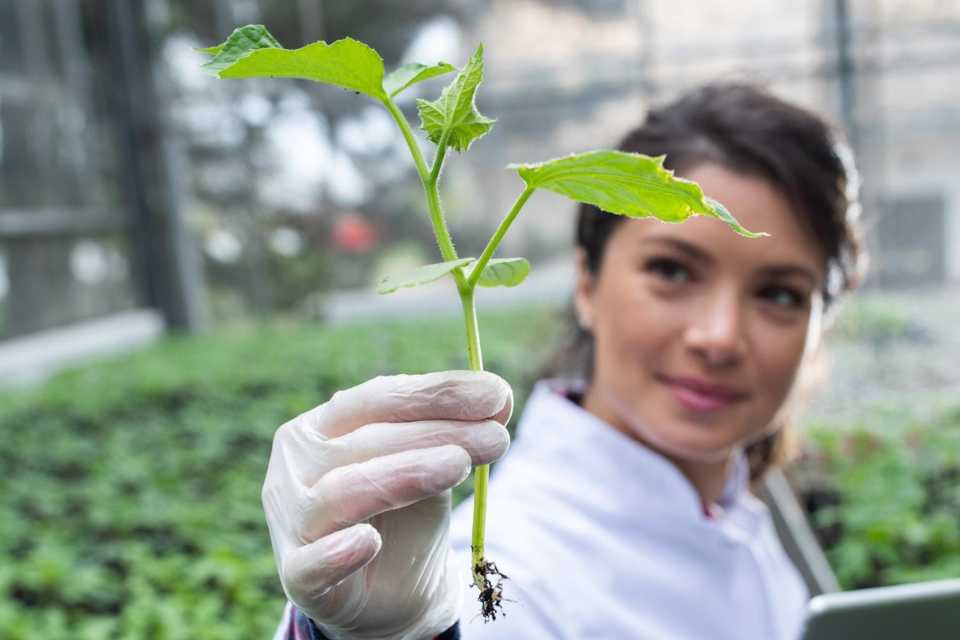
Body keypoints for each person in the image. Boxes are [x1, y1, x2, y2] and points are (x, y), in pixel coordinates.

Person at [264, 83, 866, 640]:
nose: (720, 337)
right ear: (586, 282)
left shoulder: (743, 513)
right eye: (672, 270)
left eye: (779, 294)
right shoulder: (511, 560)